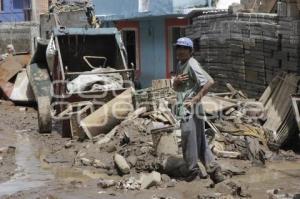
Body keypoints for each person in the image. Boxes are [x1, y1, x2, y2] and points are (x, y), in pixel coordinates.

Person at [172, 37, 224, 183]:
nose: (180, 51)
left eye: (184, 48)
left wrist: (197, 97)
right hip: (189, 109)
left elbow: (209, 82)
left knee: (188, 139)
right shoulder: (181, 64)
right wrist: (175, 82)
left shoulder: (192, 64)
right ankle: (214, 170)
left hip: (190, 109)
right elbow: (177, 87)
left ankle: (193, 172)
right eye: (178, 48)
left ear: (190, 51)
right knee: (200, 141)